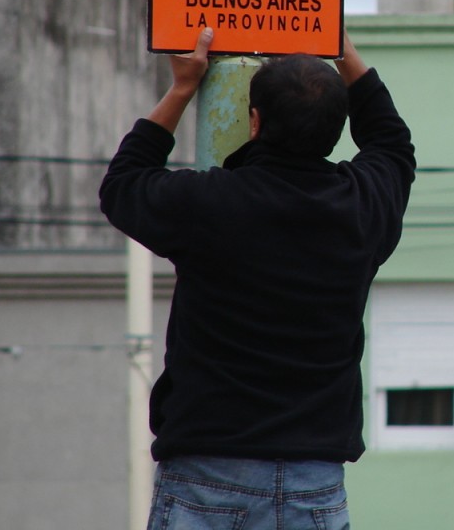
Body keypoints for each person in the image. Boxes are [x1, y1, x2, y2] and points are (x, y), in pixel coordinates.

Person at [99, 27, 416, 530]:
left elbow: (123, 184)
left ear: (255, 121)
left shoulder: (209, 203)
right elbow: (392, 142)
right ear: (338, 128)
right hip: (316, 487)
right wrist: (341, 47)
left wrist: (182, 87)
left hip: (206, 478)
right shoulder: (363, 207)